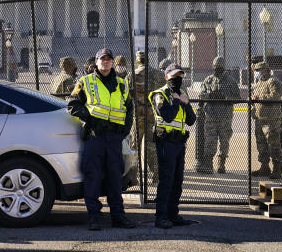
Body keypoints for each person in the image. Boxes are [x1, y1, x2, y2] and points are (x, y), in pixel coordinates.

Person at [67, 48, 137, 231]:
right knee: (93, 177)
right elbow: (72, 105)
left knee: (115, 178)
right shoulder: (85, 82)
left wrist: (124, 131)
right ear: (96, 63)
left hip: (114, 138)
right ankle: (94, 217)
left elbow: (129, 109)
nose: (105, 62)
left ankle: (118, 216)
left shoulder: (122, 84)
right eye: (102, 59)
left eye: (108, 59)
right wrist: (89, 120)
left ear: (112, 62)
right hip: (95, 137)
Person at [149, 64, 197, 228]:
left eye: (180, 76)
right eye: (174, 75)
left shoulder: (182, 94)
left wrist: (186, 103)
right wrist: (178, 101)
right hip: (165, 143)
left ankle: (172, 214)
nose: (178, 79)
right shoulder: (160, 94)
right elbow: (167, 116)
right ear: (166, 76)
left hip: (179, 144)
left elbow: (191, 119)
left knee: (177, 181)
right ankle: (161, 216)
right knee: (166, 180)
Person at [198, 56, 238, 174]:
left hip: (225, 117)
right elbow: (201, 95)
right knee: (210, 140)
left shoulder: (230, 81)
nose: (217, 69)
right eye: (215, 67)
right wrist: (210, 96)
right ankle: (208, 164)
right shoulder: (208, 80)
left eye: (219, 67)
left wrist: (225, 98)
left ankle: (221, 164)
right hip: (210, 115)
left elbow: (237, 98)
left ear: (223, 68)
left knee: (224, 141)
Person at [250, 61, 282, 179]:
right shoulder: (259, 83)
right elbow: (255, 97)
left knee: (273, 144)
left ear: (266, 70)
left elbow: (276, 96)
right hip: (259, 119)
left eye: (259, 70)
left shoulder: (273, 81)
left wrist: (260, 98)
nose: (257, 73)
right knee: (261, 145)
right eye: (256, 71)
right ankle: (264, 167)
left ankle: (277, 169)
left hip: (271, 120)